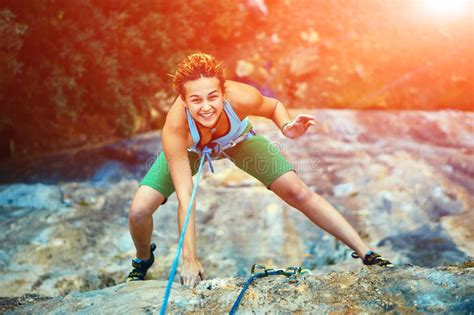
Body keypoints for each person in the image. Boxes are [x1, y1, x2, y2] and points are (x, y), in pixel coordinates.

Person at [126, 52, 393, 286]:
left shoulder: (242, 97)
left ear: (224, 93)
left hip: (238, 140)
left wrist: (287, 127)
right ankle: (143, 259)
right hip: (191, 150)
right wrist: (189, 259)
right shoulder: (175, 129)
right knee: (139, 211)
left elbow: (273, 106)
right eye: (196, 100)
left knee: (298, 193)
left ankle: (367, 253)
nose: (206, 107)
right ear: (184, 101)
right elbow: (187, 199)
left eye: (213, 97)